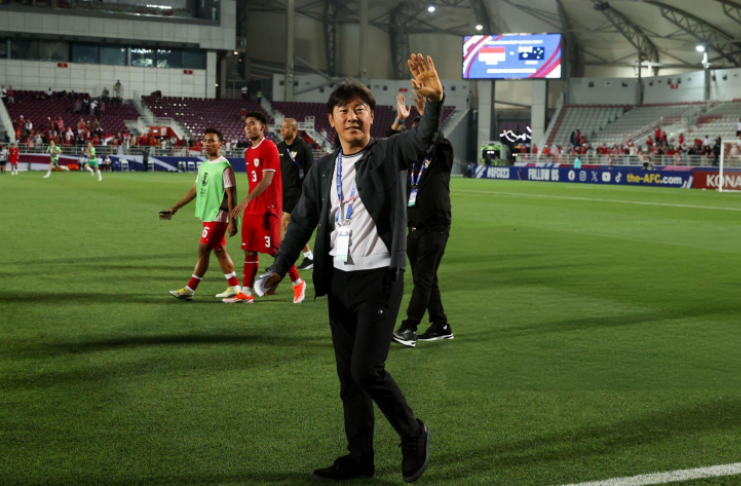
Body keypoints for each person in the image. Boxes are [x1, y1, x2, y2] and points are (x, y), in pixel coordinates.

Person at [260, 53, 441, 483]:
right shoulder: (323, 169)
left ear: (371, 118)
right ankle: (360, 459)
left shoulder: (390, 152)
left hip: (379, 279)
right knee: (348, 381)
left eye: (360, 110)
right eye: (344, 111)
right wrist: (277, 267)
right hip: (338, 280)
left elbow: (421, 141)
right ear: (331, 120)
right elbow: (302, 220)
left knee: (366, 370)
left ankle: (413, 432)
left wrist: (433, 103)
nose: (352, 117)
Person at [387, 92, 455, 348]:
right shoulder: (410, 161)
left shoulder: (442, 153)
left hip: (435, 227)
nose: (419, 137)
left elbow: (435, 133)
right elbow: (388, 146)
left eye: (423, 132)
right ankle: (440, 324)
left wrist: (428, 112)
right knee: (425, 279)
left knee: (423, 279)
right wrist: (399, 121)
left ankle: (409, 327)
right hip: (414, 228)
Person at [223, 112, 306, 304]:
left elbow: (267, 180)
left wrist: (244, 202)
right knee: (250, 250)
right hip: (253, 208)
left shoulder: (268, 147)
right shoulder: (248, 152)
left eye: (253, 124)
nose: (248, 127)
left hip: (268, 208)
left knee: (275, 250)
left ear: (263, 128)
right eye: (246, 124)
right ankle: (246, 293)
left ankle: (298, 283)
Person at [162, 128, 242, 301]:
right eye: (205, 140)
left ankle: (190, 289)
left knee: (203, 249)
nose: (207, 144)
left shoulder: (225, 167)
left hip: (219, 216)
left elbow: (231, 195)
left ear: (221, 144)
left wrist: (232, 220)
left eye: (212, 141)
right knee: (219, 250)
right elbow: (194, 190)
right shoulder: (204, 165)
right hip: (207, 214)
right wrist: (174, 209)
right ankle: (234, 287)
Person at [277, 118, 315, 270]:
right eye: (281, 127)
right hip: (282, 192)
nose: (282, 130)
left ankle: (286, 258)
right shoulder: (278, 147)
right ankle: (308, 257)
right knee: (291, 227)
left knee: (286, 223)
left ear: (294, 130)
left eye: (285, 128)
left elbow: (310, 172)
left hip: (297, 192)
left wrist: (308, 194)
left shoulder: (303, 148)